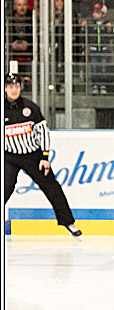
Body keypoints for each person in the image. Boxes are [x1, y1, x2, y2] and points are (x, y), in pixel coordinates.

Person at [4, 73, 81, 238]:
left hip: (33, 155)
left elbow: (43, 132)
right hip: (9, 156)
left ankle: (68, 222)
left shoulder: (29, 107)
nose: (14, 90)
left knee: (51, 187)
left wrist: (45, 157)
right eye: (10, 87)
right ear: (5, 89)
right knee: (5, 186)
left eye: (17, 86)